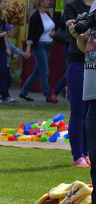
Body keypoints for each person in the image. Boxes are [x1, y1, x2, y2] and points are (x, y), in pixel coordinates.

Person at [67, 7, 96, 204]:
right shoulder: (93, 7)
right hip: (91, 89)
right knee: (94, 162)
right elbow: (84, 48)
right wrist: (80, 36)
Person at [62, 0, 93, 167]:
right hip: (77, 62)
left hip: (92, 62)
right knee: (78, 109)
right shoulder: (71, 5)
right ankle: (78, 155)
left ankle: (88, 153)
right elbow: (72, 28)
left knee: (90, 110)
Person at [19, 0, 56, 103]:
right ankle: (48, 95)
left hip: (48, 45)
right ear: (40, 2)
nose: (48, 2)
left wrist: (53, 32)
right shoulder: (35, 16)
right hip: (39, 46)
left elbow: (53, 26)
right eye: (46, 0)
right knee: (44, 70)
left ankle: (24, 92)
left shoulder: (47, 14)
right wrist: (28, 49)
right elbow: (30, 34)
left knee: (37, 72)